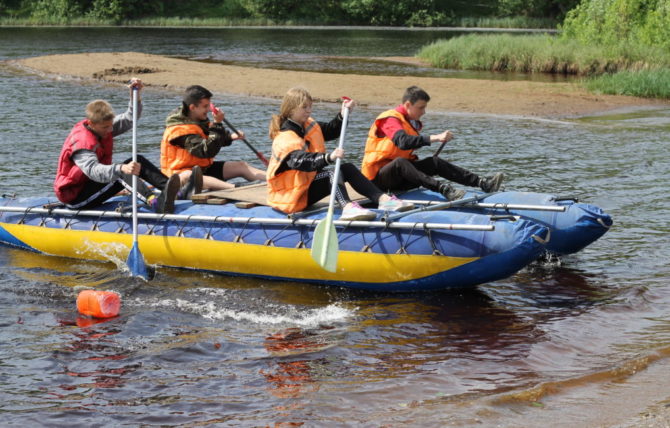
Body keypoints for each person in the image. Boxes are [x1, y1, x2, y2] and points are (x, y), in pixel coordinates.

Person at [266, 86, 413, 220]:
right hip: (290, 195)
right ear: (291, 109)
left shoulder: (306, 126)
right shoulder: (285, 138)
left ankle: (382, 199)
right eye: (304, 107)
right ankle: (347, 207)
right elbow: (302, 161)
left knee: (347, 167)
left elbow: (331, 130)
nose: (309, 110)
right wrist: (328, 157)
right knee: (332, 173)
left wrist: (342, 115)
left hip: (304, 186)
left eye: (310, 106)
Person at [53, 79, 199, 214]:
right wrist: (120, 168)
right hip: (76, 197)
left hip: (93, 185)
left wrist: (135, 96)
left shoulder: (103, 127)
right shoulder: (82, 144)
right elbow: (94, 171)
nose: (110, 130)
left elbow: (129, 119)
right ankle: (155, 203)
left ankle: (175, 192)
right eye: (105, 127)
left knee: (137, 160)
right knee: (121, 173)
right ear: (91, 124)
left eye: (111, 126)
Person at [361, 85, 504, 200]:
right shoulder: (390, 119)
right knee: (400, 163)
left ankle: (483, 183)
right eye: (421, 107)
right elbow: (402, 142)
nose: (424, 112)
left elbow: (410, 144)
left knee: (434, 162)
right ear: (408, 104)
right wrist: (434, 138)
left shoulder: (409, 122)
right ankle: (444, 190)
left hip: (399, 177)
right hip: (376, 180)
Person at [160, 85, 266, 191]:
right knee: (189, 175)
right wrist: (217, 124)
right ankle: (235, 188)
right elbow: (206, 150)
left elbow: (213, 138)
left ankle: (274, 180)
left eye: (209, 106)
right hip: (178, 176)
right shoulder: (179, 130)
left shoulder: (198, 120)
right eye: (205, 106)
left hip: (202, 169)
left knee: (241, 166)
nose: (209, 110)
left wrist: (230, 137)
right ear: (192, 107)